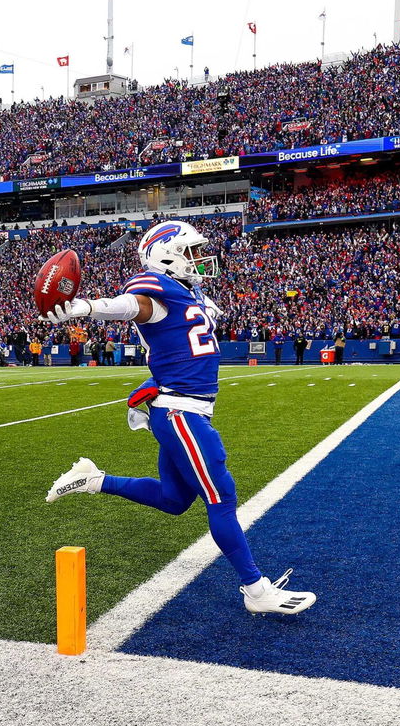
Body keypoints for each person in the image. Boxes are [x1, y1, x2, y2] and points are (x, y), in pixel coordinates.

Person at [42, 221, 315, 616]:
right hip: (181, 411)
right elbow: (131, 306)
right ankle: (257, 591)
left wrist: (204, 308)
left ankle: (93, 479)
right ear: (166, 253)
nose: (198, 258)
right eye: (190, 251)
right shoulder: (155, 288)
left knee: (174, 500)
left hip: (180, 409)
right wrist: (87, 308)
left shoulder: (189, 292)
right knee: (221, 500)